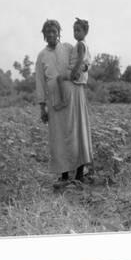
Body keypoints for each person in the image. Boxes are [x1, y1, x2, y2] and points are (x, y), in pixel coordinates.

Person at [35, 19, 93, 186]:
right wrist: (42, 106)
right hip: (55, 100)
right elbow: (40, 82)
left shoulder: (68, 47)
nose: (51, 34)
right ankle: (65, 176)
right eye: (48, 32)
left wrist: (84, 68)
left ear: (59, 33)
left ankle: (80, 173)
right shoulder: (42, 56)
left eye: (54, 31)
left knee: (77, 132)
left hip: (74, 95)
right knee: (59, 137)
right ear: (44, 35)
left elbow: (84, 59)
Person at [54, 18, 92, 110]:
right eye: (74, 31)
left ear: (85, 32)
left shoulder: (80, 45)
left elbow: (80, 60)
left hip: (76, 72)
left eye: (78, 31)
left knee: (59, 78)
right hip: (80, 73)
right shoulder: (83, 44)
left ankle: (64, 101)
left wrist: (74, 72)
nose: (76, 33)